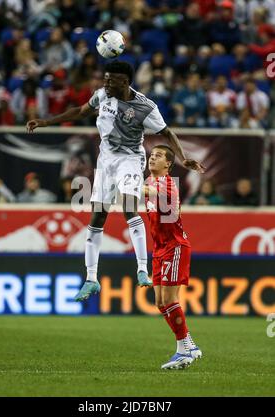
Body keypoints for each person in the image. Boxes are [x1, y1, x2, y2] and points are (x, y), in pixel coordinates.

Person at [26, 61, 204, 301]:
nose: (106, 83)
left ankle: (142, 269)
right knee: (97, 216)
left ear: (125, 82)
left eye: (111, 80)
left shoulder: (145, 107)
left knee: (129, 207)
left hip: (130, 158)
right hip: (106, 160)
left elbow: (167, 132)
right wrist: (46, 122)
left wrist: (183, 158)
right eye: (105, 78)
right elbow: (80, 111)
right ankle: (91, 279)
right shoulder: (102, 95)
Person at [145, 145, 202, 370]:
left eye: (158, 156)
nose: (152, 158)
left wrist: (117, 184)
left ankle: (184, 351)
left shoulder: (166, 184)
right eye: (151, 155)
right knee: (160, 302)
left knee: (169, 300)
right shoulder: (151, 182)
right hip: (159, 248)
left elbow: (145, 192)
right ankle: (190, 346)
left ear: (168, 163)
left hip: (174, 246)